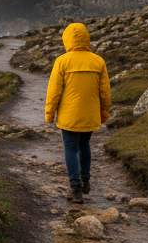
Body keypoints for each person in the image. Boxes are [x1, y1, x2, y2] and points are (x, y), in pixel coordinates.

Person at [44, 22, 111, 204]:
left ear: (67, 40)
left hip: (69, 117)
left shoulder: (62, 61)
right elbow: (105, 92)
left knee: (71, 148)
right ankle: (86, 180)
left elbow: (54, 92)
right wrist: (104, 113)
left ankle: (75, 189)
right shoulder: (98, 61)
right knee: (84, 146)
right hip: (90, 115)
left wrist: (49, 114)